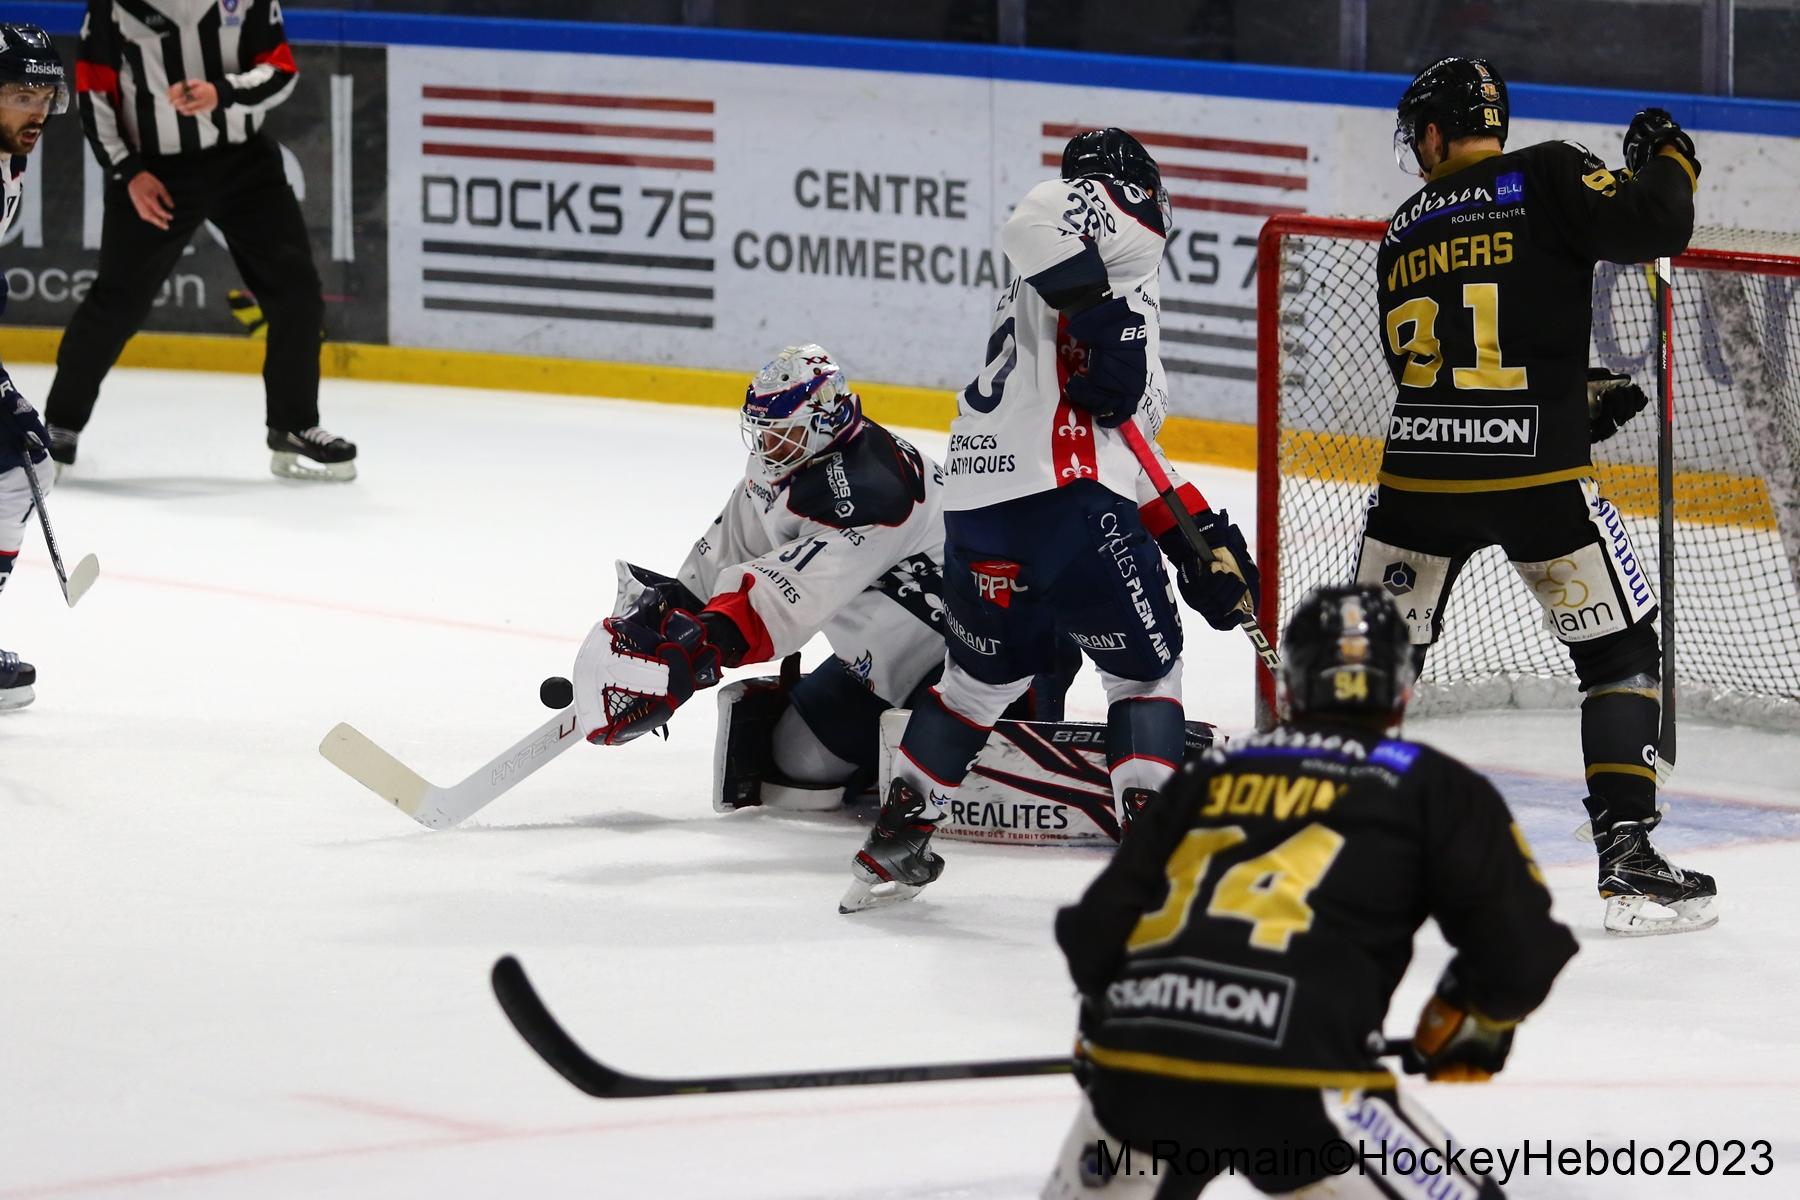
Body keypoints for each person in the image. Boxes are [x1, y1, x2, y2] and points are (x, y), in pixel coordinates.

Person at [838, 128, 1260, 913]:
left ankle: (894, 844)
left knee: (975, 685)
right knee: (1144, 674)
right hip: (1067, 503)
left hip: (980, 511)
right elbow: (1032, 217)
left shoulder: (1055, 298)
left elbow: (1127, 450)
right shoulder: (1113, 227)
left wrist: (1198, 537)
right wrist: (1103, 317)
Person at [1043, 584, 1578, 1199]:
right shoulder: (1434, 785)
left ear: (1290, 689)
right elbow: (1522, 952)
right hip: (1302, 1079)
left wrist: (1103, 1021)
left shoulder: (1210, 773)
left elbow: (1095, 929)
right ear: (1402, 691)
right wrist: (1469, 1015)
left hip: (1141, 1064)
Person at [1358, 56, 1714, 935]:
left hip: (1417, 481)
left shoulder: (1401, 229)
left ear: (1433, 133)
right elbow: (1661, 223)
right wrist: (1669, 154)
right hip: (1536, 481)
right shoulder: (1546, 171)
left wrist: (1569, 396)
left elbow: (1433, 367)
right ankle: (1628, 856)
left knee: (1371, 666)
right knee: (1620, 653)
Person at [568, 344, 1075, 804]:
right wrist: (667, 620)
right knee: (795, 765)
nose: (768, 446)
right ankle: (885, 763)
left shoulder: (875, 490)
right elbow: (725, 555)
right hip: (884, 658)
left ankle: (1006, 731)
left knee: (961, 786)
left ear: (824, 421)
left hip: (981, 656)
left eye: (782, 433)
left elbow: (786, 594)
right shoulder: (780, 466)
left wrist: (698, 651)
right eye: (762, 432)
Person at [43, 0, 355, 482]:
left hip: (245, 163)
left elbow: (280, 69)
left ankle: (293, 425)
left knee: (297, 292)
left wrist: (221, 92)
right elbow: (93, 89)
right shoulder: (112, 6)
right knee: (117, 302)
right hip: (154, 169)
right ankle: (60, 424)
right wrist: (128, 171)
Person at [0, 24, 70, 710]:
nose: (38, 111)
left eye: (45, 97)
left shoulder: (7, 158)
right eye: (22, 95)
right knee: (16, 472)